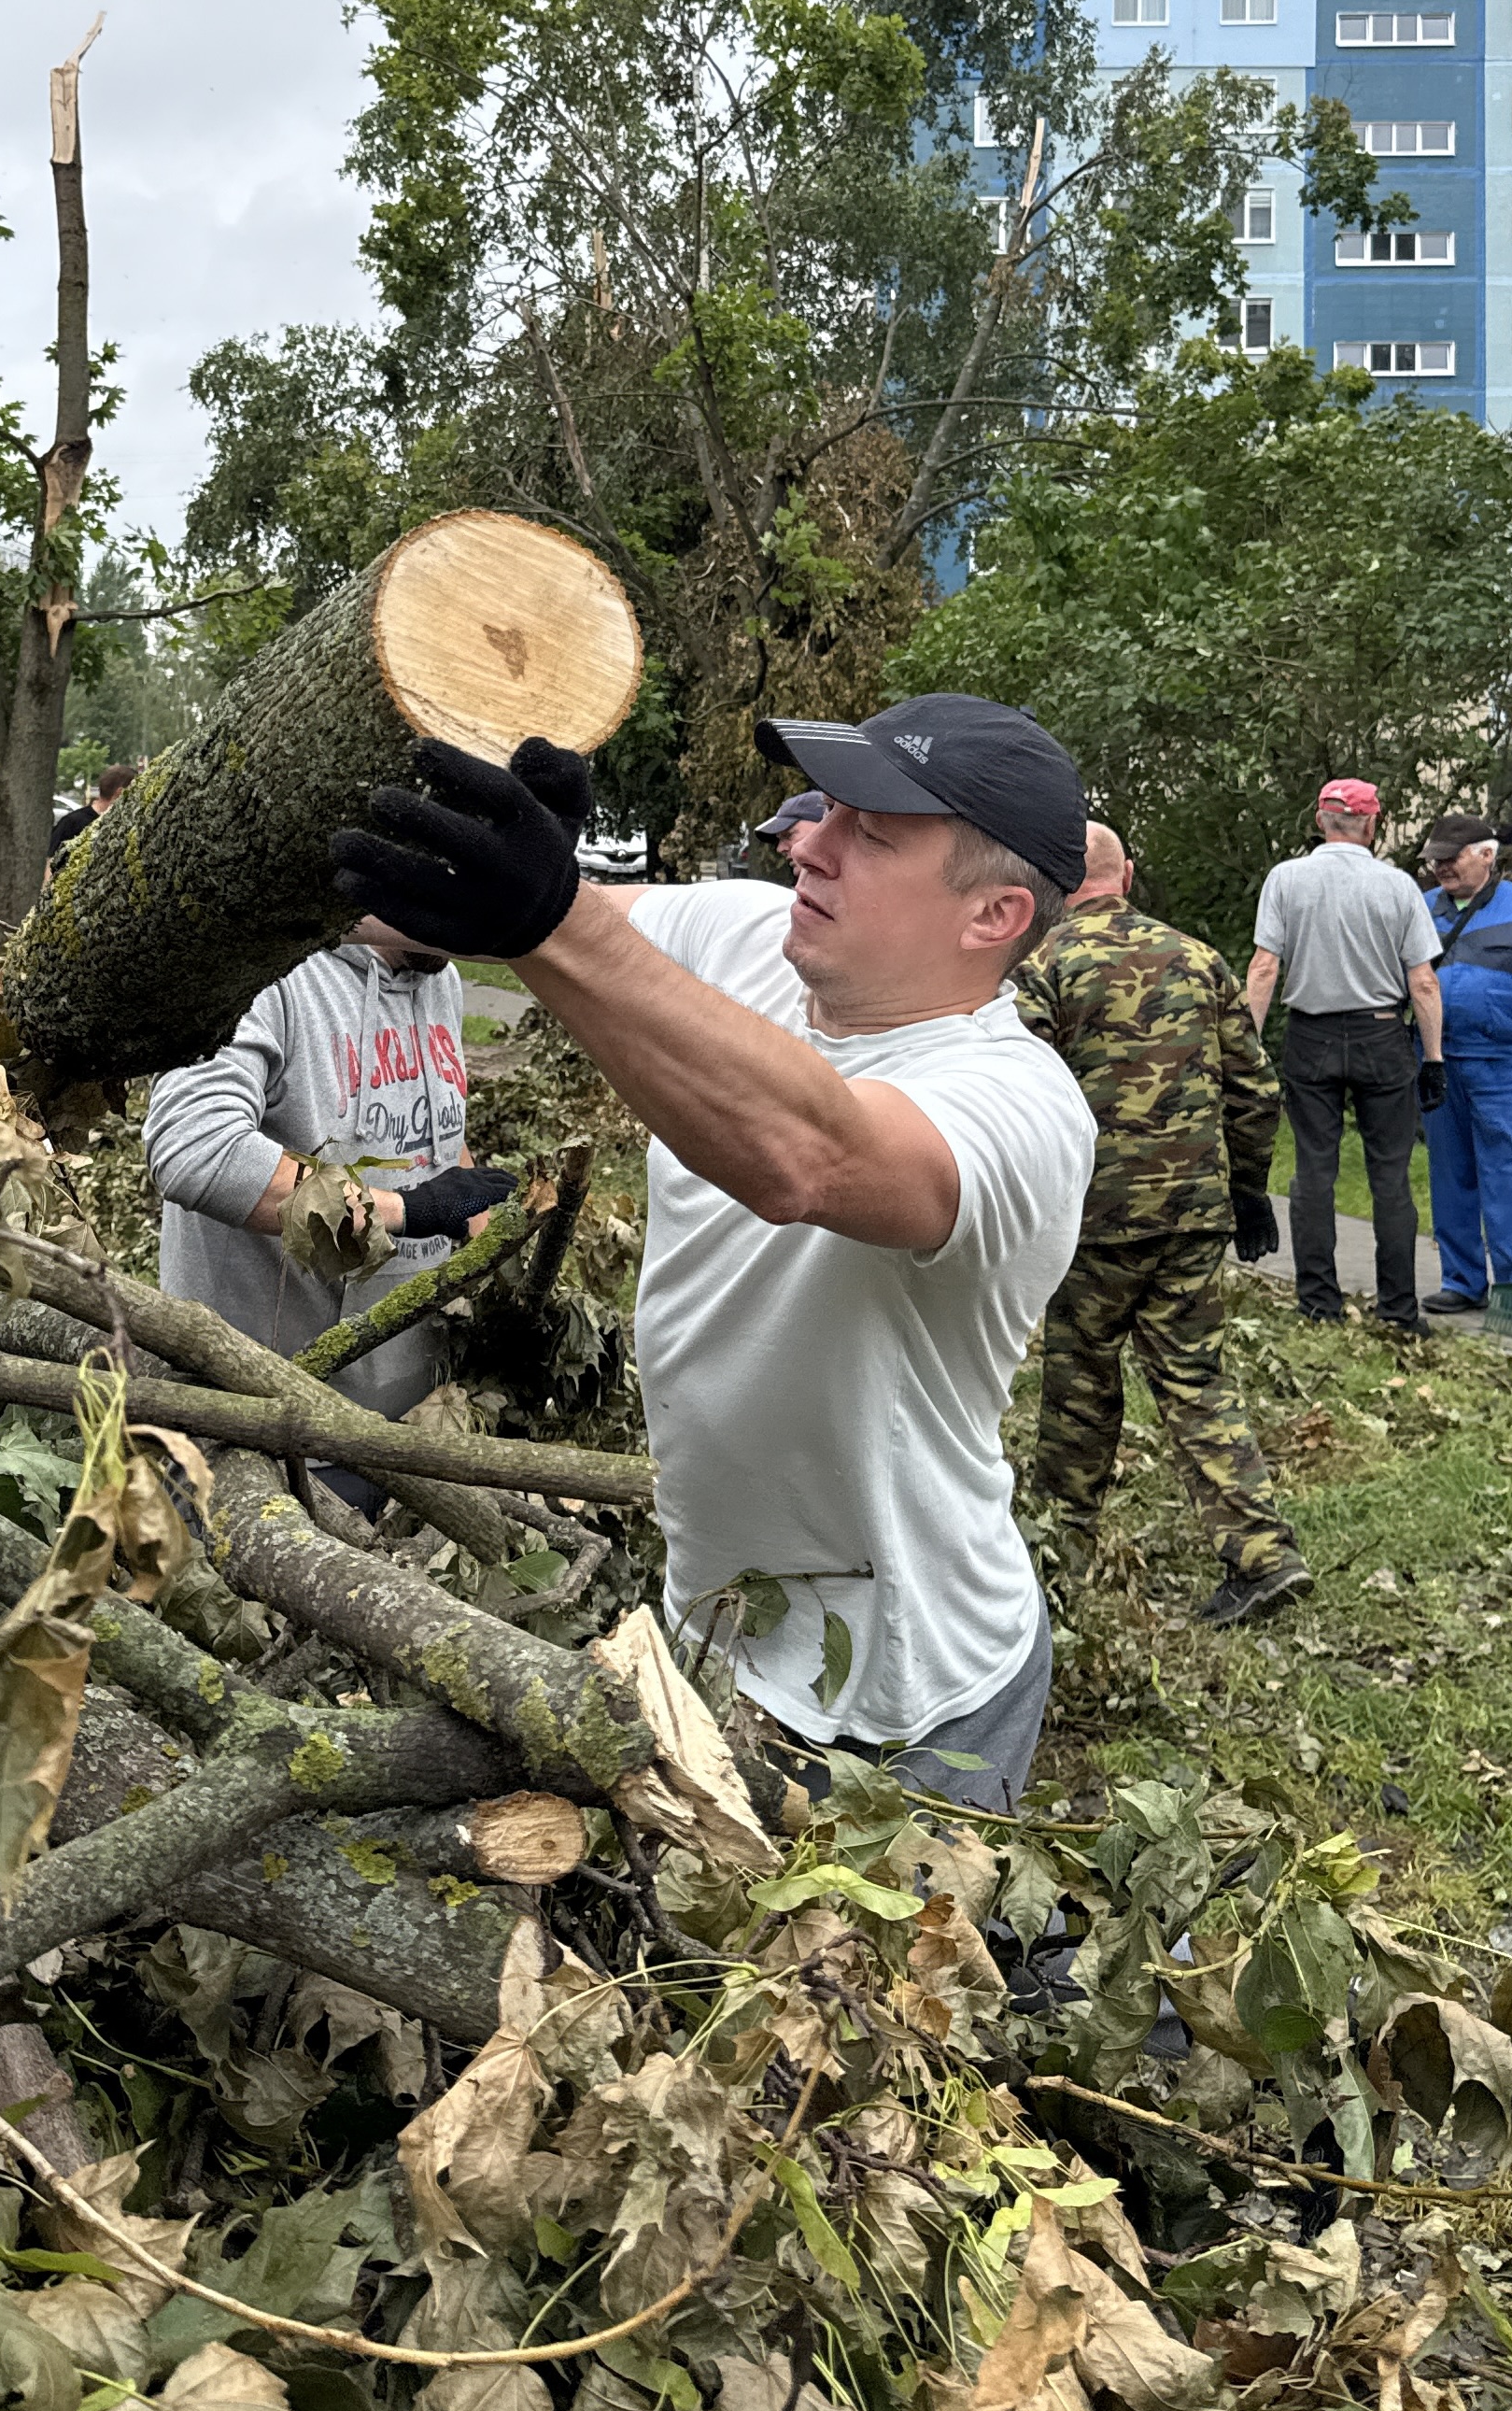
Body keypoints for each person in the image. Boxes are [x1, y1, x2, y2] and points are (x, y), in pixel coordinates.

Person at [332, 697, 1097, 1812]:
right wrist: (490, 856)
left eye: (869, 837)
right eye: (823, 811)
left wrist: (548, 915)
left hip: (913, 1692)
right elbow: (524, 925)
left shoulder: (1020, 1107)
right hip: (725, 1630)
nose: (809, 844)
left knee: (897, 1978)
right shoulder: (757, 937)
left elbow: (808, 1157)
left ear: (994, 916)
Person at [1013, 821, 1308, 1625]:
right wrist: (1246, 1188)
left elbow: (1016, 1096)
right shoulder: (1199, 958)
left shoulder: (1045, 966)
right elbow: (1257, 1089)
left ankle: (1055, 1564)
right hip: (1192, 1215)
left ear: (1054, 879)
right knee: (1196, 1382)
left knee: (1080, 1392)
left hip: (1093, 1222)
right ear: (1128, 875)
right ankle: (1263, 1556)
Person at [143, 915, 518, 1446]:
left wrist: (492, 1253)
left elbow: (432, 1131)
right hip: (272, 1425)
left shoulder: (438, 975)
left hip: (411, 1423)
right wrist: (405, 1211)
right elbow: (197, 1147)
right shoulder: (261, 973)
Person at [1245, 776, 1444, 1337]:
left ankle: (1318, 1304)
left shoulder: (1287, 879)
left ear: (1319, 820)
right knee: (1390, 1175)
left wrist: (1246, 1047)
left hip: (1311, 1038)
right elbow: (1423, 983)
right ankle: (1401, 1311)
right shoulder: (1398, 886)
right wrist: (1433, 1059)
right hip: (1383, 1036)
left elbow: (1264, 968)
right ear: (1373, 825)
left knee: (1314, 1168)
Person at [1418, 814, 1512, 1326]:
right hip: (1438, 1060)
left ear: (1487, 855)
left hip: (1506, 1062)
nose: (1440, 866)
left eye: (1450, 857)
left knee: (1509, 1173)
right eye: (1434, 859)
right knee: (1449, 1171)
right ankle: (1461, 1282)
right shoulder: (1420, 909)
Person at [50, 761, 136, 858]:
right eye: (135, 793)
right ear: (120, 793)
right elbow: (51, 864)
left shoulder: (127, 825)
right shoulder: (72, 823)